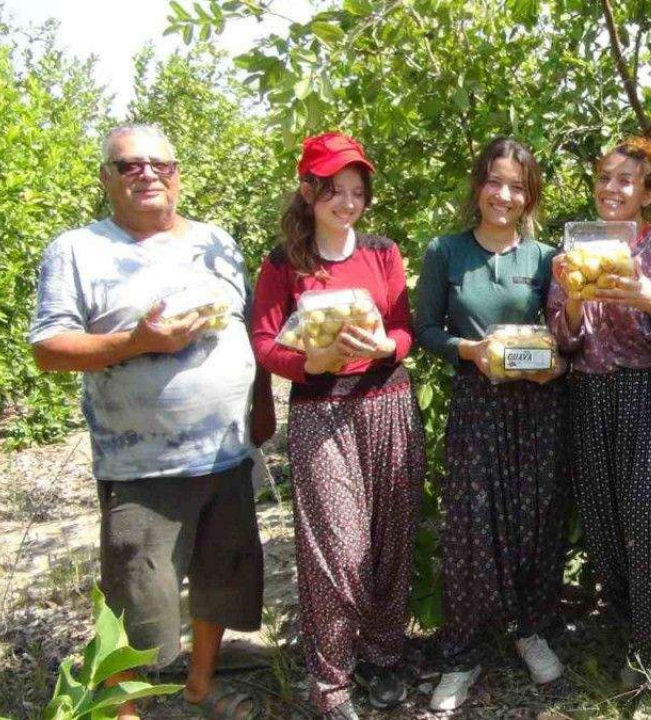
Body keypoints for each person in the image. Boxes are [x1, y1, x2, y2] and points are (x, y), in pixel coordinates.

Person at [30, 124, 274, 720]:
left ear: (178, 174)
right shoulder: (78, 250)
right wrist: (137, 340)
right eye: (129, 165)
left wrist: (261, 401)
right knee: (139, 595)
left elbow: (242, 328)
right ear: (107, 179)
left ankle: (199, 685)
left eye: (159, 164)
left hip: (226, 451)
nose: (147, 174)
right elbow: (48, 348)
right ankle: (123, 710)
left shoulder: (216, 242)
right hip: (142, 464)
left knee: (222, 579)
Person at [250, 133, 421, 719]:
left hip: (387, 402)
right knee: (338, 550)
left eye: (356, 192)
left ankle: (383, 658)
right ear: (308, 191)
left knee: (390, 541)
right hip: (320, 411)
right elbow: (266, 342)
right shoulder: (282, 263)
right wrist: (309, 363)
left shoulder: (382, 252)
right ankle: (331, 680)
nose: (347, 203)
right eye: (333, 191)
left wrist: (385, 346)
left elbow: (403, 329)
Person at [545, 136, 651, 716]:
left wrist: (648, 297)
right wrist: (576, 302)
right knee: (607, 525)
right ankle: (635, 639)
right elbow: (562, 337)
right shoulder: (578, 246)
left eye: (626, 180)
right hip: (591, 396)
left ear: (648, 191)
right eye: (605, 177)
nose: (612, 188)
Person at [415, 137, 568, 712]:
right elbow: (425, 329)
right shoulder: (445, 252)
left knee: (536, 521)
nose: (504, 195)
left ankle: (531, 631)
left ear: (530, 195)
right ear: (478, 185)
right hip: (478, 405)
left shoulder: (549, 259)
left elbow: (565, 335)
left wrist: (556, 365)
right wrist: (469, 351)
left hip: (538, 408)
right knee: (472, 529)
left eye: (517, 186)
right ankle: (462, 653)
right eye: (495, 181)